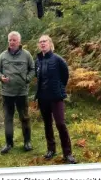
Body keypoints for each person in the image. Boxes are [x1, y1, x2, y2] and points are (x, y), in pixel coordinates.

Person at [35, 34, 76, 164]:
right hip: (43, 98)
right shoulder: (38, 61)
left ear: (50, 43)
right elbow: (38, 77)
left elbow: (65, 75)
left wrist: (59, 88)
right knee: (47, 124)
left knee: (60, 123)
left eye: (45, 41)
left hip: (56, 97)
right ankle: (51, 150)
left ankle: (68, 153)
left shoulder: (58, 59)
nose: (42, 44)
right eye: (40, 42)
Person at [0, 31, 35, 154]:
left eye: (14, 40)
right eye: (10, 40)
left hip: (21, 93)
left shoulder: (26, 55)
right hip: (7, 93)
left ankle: (27, 142)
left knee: (24, 118)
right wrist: (1, 77)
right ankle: (8, 143)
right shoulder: (3, 55)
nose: (12, 42)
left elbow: (32, 69)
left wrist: (27, 79)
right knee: (8, 119)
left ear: (19, 41)